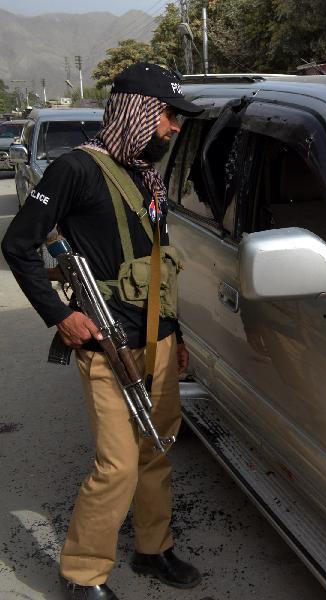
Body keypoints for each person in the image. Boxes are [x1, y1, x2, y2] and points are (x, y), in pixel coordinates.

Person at [1, 63, 203, 600]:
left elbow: (159, 265)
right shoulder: (75, 170)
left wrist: (175, 337)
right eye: (167, 116)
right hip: (105, 342)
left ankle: (153, 549)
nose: (173, 128)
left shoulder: (145, 173)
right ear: (138, 111)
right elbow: (18, 245)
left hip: (156, 339)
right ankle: (82, 574)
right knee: (117, 465)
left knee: (157, 450)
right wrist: (60, 315)